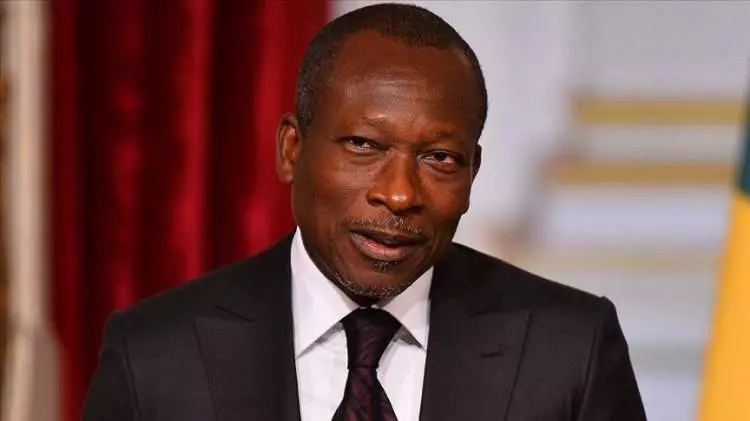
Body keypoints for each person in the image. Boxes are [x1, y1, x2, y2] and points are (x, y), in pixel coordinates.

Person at [83, 4, 646, 421]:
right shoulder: (155, 356)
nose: (399, 195)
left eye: (439, 158)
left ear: (472, 173)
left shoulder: (569, 350)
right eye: (363, 146)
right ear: (292, 150)